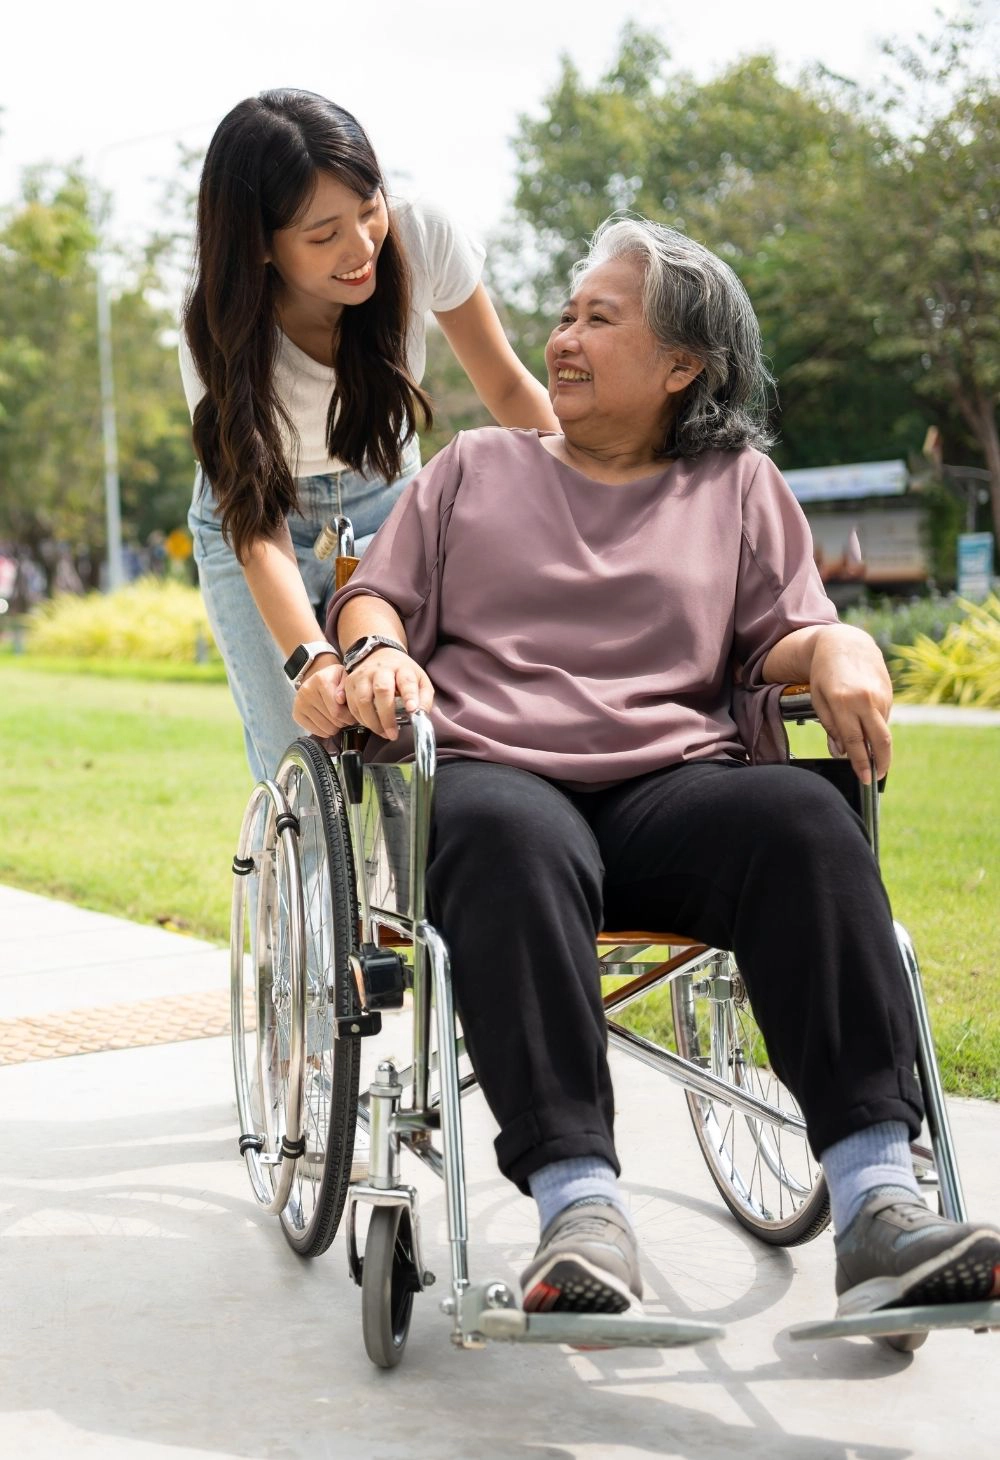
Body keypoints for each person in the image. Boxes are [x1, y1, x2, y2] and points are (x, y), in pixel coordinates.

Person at [324, 216, 1000, 1323]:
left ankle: (879, 1200)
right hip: (506, 773)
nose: (563, 339)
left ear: (683, 364)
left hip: (669, 792)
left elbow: (778, 632)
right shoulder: (475, 467)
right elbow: (374, 595)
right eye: (564, 315)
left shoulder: (736, 484)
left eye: (600, 317)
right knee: (503, 834)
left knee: (800, 816)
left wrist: (833, 642)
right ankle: (578, 1204)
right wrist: (380, 646)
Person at [181, 88, 557, 783]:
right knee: (304, 756)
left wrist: (597, 502)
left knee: (401, 731)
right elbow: (253, 522)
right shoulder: (216, 324)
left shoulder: (422, 237)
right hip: (264, 526)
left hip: (384, 508)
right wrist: (312, 661)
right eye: (323, 235)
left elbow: (507, 389)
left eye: (368, 208)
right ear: (261, 247)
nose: (361, 249)